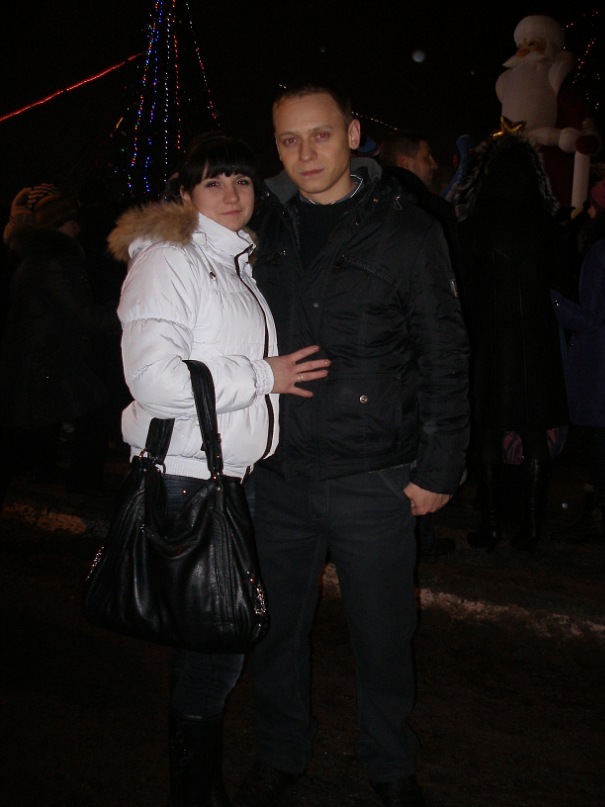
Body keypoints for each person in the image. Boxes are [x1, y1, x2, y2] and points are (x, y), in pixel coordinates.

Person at [232, 84, 470, 807]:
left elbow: (444, 352)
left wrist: (439, 465)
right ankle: (281, 752)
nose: (305, 153)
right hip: (277, 471)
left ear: (353, 133)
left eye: (321, 135)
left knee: (383, 634)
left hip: (372, 474)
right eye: (288, 139)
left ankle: (390, 764)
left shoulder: (405, 229)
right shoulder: (256, 228)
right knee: (275, 631)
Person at [107, 132, 330, 807]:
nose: (231, 193)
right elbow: (154, 378)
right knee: (216, 646)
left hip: (228, 476)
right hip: (188, 477)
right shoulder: (170, 260)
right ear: (184, 194)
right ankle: (196, 791)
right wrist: (264, 375)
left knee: (213, 639)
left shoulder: (232, 261)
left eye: (241, 179)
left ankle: (195, 784)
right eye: (212, 181)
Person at [455, 134, 569, 553]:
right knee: (534, 429)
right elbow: (563, 277)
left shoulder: (475, 224)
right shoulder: (545, 224)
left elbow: (465, 285)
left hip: (489, 340)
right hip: (537, 340)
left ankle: (491, 525)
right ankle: (532, 526)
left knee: (488, 428)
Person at [0, 185, 118, 508]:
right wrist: (127, 306)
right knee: (93, 407)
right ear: (58, 226)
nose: (78, 227)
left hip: (40, 358)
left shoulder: (39, 257)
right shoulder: (55, 262)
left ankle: (49, 470)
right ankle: (81, 480)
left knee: (31, 427)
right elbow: (85, 317)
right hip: (45, 361)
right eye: (71, 222)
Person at [380, 132, 464, 557]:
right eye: (427, 156)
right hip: (409, 362)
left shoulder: (375, 206)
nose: (433, 165)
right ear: (406, 160)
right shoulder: (426, 213)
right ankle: (419, 534)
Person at [551, 177, 605, 541]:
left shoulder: (600, 254)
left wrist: (552, 300)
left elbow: (590, 318)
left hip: (599, 364)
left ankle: (595, 514)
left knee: (599, 445)